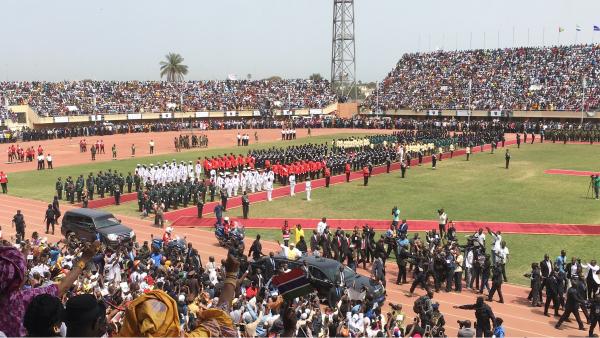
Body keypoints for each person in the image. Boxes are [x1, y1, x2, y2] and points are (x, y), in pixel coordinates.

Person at [0, 241, 99, 337]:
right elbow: (63, 287)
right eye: (24, 274)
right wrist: (84, 259)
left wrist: (24, 255)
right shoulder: (22, 299)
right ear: (17, 281)